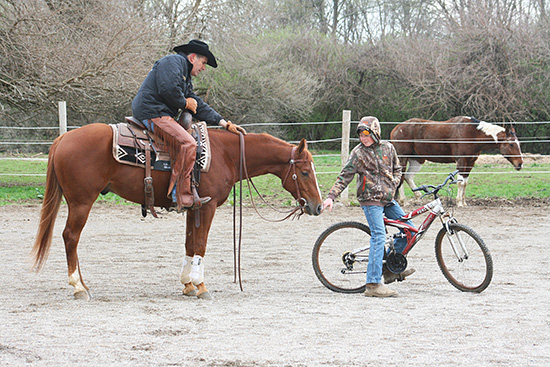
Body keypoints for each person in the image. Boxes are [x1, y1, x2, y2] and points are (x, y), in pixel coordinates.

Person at [132, 39, 246, 211]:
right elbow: (168, 88)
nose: (203, 68)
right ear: (193, 57)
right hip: (152, 112)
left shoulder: (183, 75)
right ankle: (181, 194)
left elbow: (197, 104)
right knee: (188, 143)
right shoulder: (173, 62)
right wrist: (184, 103)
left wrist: (223, 123)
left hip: (158, 112)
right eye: (203, 63)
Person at [323, 116, 416, 297]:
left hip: (388, 200)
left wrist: (394, 183)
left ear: (375, 132)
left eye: (366, 134)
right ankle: (373, 284)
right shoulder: (358, 153)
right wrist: (331, 197)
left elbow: (398, 169)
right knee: (379, 235)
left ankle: (389, 269)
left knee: (411, 230)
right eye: (361, 135)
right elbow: (345, 176)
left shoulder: (388, 148)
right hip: (370, 200)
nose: (363, 138)